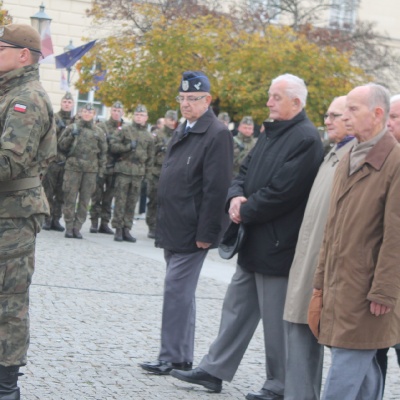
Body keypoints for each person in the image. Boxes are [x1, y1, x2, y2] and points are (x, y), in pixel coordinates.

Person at [170, 73, 323, 400]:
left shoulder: (307, 139)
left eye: (276, 97)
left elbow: (285, 192)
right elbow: (243, 172)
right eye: (270, 95)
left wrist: (245, 209)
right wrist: (236, 198)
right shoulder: (271, 132)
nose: (268, 102)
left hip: (279, 244)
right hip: (252, 239)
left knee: (275, 323)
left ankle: (278, 385)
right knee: (236, 309)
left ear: (296, 102)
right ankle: (214, 370)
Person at [139, 71, 233, 375]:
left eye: (193, 99)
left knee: (176, 290)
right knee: (182, 293)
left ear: (207, 100)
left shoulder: (216, 133)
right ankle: (180, 357)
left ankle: (169, 356)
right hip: (173, 224)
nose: (186, 104)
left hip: (193, 230)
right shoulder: (184, 128)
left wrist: (207, 232)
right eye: (182, 98)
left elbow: (216, 188)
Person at [311, 83, 400, 400]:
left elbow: (396, 236)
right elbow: (332, 229)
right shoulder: (348, 156)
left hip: (367, 292)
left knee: (346, 372)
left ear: (377, 114)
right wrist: (320, 281)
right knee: (360, 373)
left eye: (353, 109)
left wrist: (384, 290)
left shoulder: (395, 162)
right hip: (340, 284)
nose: (344, 116)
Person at [282, 96, 355, 400]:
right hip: (308, 256)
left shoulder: (351, 157)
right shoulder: (332, 154)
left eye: (335, 116)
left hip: (326, 265)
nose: (327, 121)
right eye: (326, 115)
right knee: (297, 329)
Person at [0, 24, 57, 399]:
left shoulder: (27, 99)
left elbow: (9, 162)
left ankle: (7, 385)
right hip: (6, 211)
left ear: (23, 55)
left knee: (9, 299)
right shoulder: (10, 94)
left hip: (14, 215)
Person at [375, 93, 400, 395]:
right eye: (388, 117)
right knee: (373, 355)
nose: (389, 124)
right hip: (380, 281)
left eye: (395, 118)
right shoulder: (381, 158)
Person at [59, 103, 107, 239]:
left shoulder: (98, 132)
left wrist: (101, 172)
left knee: (85, 201)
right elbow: (61, 146)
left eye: (90, 112)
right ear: (80, 113)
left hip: (90, 170)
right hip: (73, 168)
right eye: (85, 111)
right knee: (70, 198)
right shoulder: (72, 128)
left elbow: (103, 154)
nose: (87, 114)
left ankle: (77, 227)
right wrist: (71, 136)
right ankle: (69, 226)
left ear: (94, 115)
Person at [109, 104, 154, 242]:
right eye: (137, 115)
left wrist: (147, 176)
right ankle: (118, 228)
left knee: (132, 202)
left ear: (146, 118)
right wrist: (127, 147)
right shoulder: (126, 130)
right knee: (121, 201)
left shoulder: (148, 136)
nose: (139, 117)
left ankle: (126, 229)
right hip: (124, 170)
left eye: (142, 115)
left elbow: (150, 158)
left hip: (137, 173)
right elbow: (113, 145)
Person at [89, 101, 124, 235]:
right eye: (114, 110)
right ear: (111, 111)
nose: (116, 113)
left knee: (109, 197)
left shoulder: (124, 128)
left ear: (123, 112)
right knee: (96, 195)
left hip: (116, 168)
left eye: (119, 110)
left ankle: (104, 223)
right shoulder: (102, 126)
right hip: (102, 166)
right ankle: (94, 222)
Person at [42, 92, 75, 232]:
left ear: (72, 104)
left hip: (67, 162)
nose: (67, 104)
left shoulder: (75, 121)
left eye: (69, 102)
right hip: (54, 160)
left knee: (62, 193)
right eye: (65, 102)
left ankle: (56, 218)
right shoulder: (54, 118)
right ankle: (47, 219)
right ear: (61, 103)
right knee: (48, 191)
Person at [146, 110, 177, 239]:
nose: (172, 122)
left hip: (171, 174)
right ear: (165, 120)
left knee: (168, 202)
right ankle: (152, 226)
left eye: (174, 120)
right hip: (156, 173)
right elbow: (150, 154)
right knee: (154, 200)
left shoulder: (178, 134)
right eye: (170, 119)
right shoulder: (157, 134)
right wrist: (149, 171)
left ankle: (163, 227)